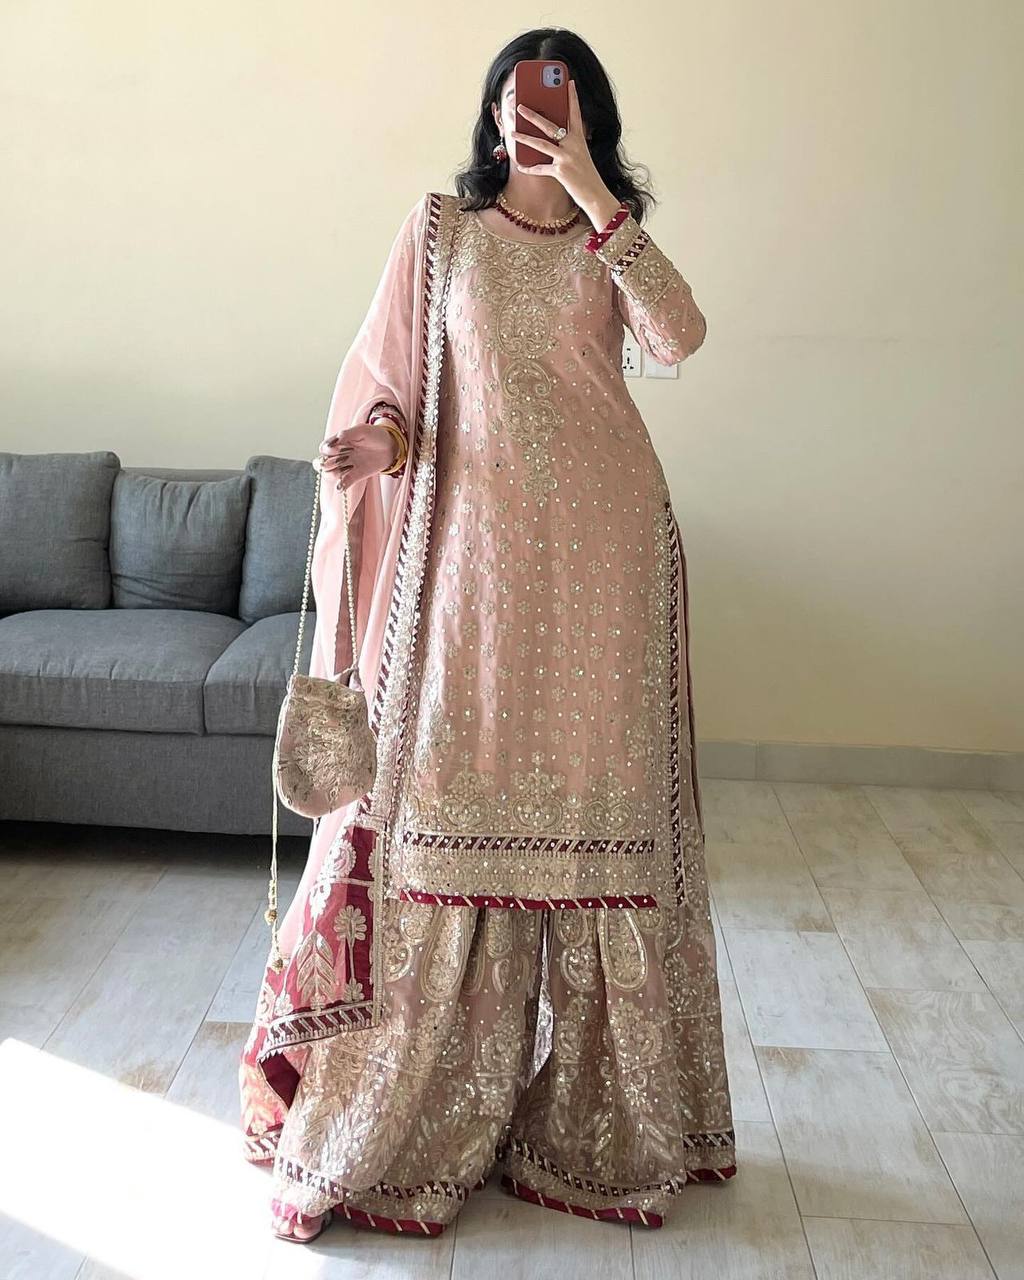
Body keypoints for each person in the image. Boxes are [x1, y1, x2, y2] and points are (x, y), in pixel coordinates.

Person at [239, 27, 736, 1245]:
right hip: (468, 574)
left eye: (555, 101)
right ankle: (408, 1121)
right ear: (490, 112)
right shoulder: (440, 234)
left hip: (607, 568)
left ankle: (605, 1129)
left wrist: (596, 198)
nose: (532, 117)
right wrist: (379, 442)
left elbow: (678, 338)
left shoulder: (610, 238)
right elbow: (406, 393)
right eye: (516, 100)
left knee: (603, 826)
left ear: (587, 114)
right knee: (438, 815)